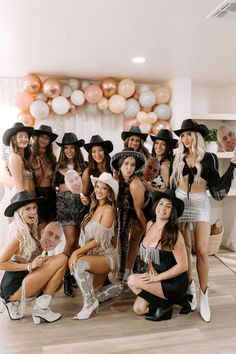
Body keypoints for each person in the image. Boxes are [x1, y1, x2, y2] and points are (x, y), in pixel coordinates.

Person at [170, 119, 236, 322]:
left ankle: (204, 295)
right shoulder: (178, 157)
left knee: (202, 252)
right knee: (185, 250)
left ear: (196, 136)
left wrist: (233, 165)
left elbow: (217, 186)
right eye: (182, 136)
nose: (185, 139)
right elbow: (172, 187)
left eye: (188, 134)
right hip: (181, 205)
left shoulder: (209, 158)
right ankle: (190, 290)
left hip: (200, 205)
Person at [0, 191, 67, 323]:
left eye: (34, 208)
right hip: (14, 285)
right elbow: (1, 263)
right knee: (63, 258)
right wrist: (30, 265)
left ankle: (16, 305)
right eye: (27, 209)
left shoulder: (30, 229)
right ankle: (39, 309)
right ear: (20, 212)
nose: (33, 212)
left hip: (22, 279)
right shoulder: (19, 234)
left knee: (58, 282)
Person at [127, 189, 189, 322]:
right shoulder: (150, 224)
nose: (163, 208)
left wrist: (157, 278)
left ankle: (169, 302)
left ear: (173, 211)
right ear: (156, 206)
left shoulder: (174, 233)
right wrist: (150, 266)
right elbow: (148, 250)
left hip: (174, 282)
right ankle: (168, 304)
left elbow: (183, 266)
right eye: (161, 204)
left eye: (168, 206)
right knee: (139, 309)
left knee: (132, 280)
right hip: (157, 277)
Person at [69, 172, 118, 320]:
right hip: (93, 254)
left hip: (105, 255)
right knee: (95, 293)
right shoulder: (94, 207)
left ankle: (89, 303)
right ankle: (114, 290)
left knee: (79, 264)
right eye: (97, 186)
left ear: (109, 192)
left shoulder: (109, 209)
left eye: (104, 188)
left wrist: (76, 253)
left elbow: (98, 240)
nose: (99, 191)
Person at [54, 132, 86, 297]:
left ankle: (72, 273)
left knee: (76, 244)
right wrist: (62, 188)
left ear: (77, 149)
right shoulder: (58, 167)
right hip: (65, 207)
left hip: (80, 207)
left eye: (72, 148)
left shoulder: (84, 166)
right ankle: (65, 277)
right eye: (66, 148)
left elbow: (87, 187)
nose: (69, 151)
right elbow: (54, 187)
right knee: (71, 240)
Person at [111, 148, 146, 281]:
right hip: (124, 211)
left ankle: (126, 270)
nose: (129, 168)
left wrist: (148, 230)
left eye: (132, 165)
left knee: (133, 241)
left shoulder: (135, 183)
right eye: (126, 164)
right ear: (120, 165)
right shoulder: (116, 180)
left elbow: (139, 211)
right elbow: (115, 205)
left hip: (140, 213)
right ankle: (122, 269)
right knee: (121, 237)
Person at [30, 125, 58, 233]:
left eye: (47, 138)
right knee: (40, 232)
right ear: (36, 138)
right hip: (36, 196)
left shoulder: (51, 157)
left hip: (51, 196)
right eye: (42, 136)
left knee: (50, 233)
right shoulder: (29, 156)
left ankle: (46, 251)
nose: (44, 140)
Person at [2, 122, 34, 196]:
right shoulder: (15, 157)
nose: (24, 139)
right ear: (14, 140)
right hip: (24, 198)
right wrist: (26, 203)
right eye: (20, 136)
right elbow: (20, 188)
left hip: (30, 197)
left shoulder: (23, 157)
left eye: (26, 136)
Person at [82, 135, 113, 199]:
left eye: (100, 150)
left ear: (105, 151)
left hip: (112, 204)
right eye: (94, 151)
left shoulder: (113, 168)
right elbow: (84, 195)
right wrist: (85, 201)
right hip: (95, 206)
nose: (97, 154)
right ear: (91, 154)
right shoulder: (87, 172)